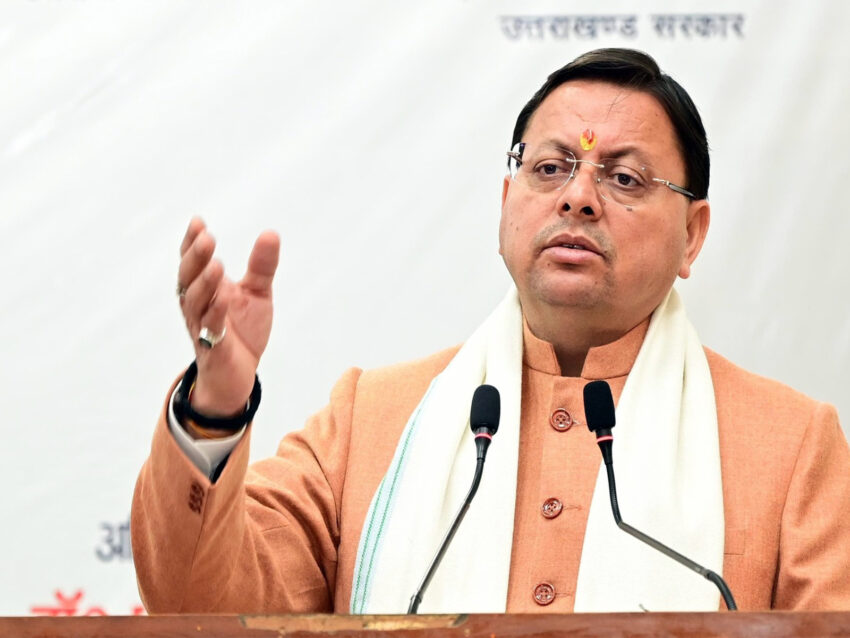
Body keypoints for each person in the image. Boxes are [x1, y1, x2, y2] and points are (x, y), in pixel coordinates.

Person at [131, 48, 850, 614]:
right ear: (507, 202)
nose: (578, 197)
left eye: (625, 179)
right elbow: (199, 605)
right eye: (551, 168)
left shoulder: (791, 448)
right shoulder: (370, 421)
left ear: (692, 234)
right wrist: (215, 406)